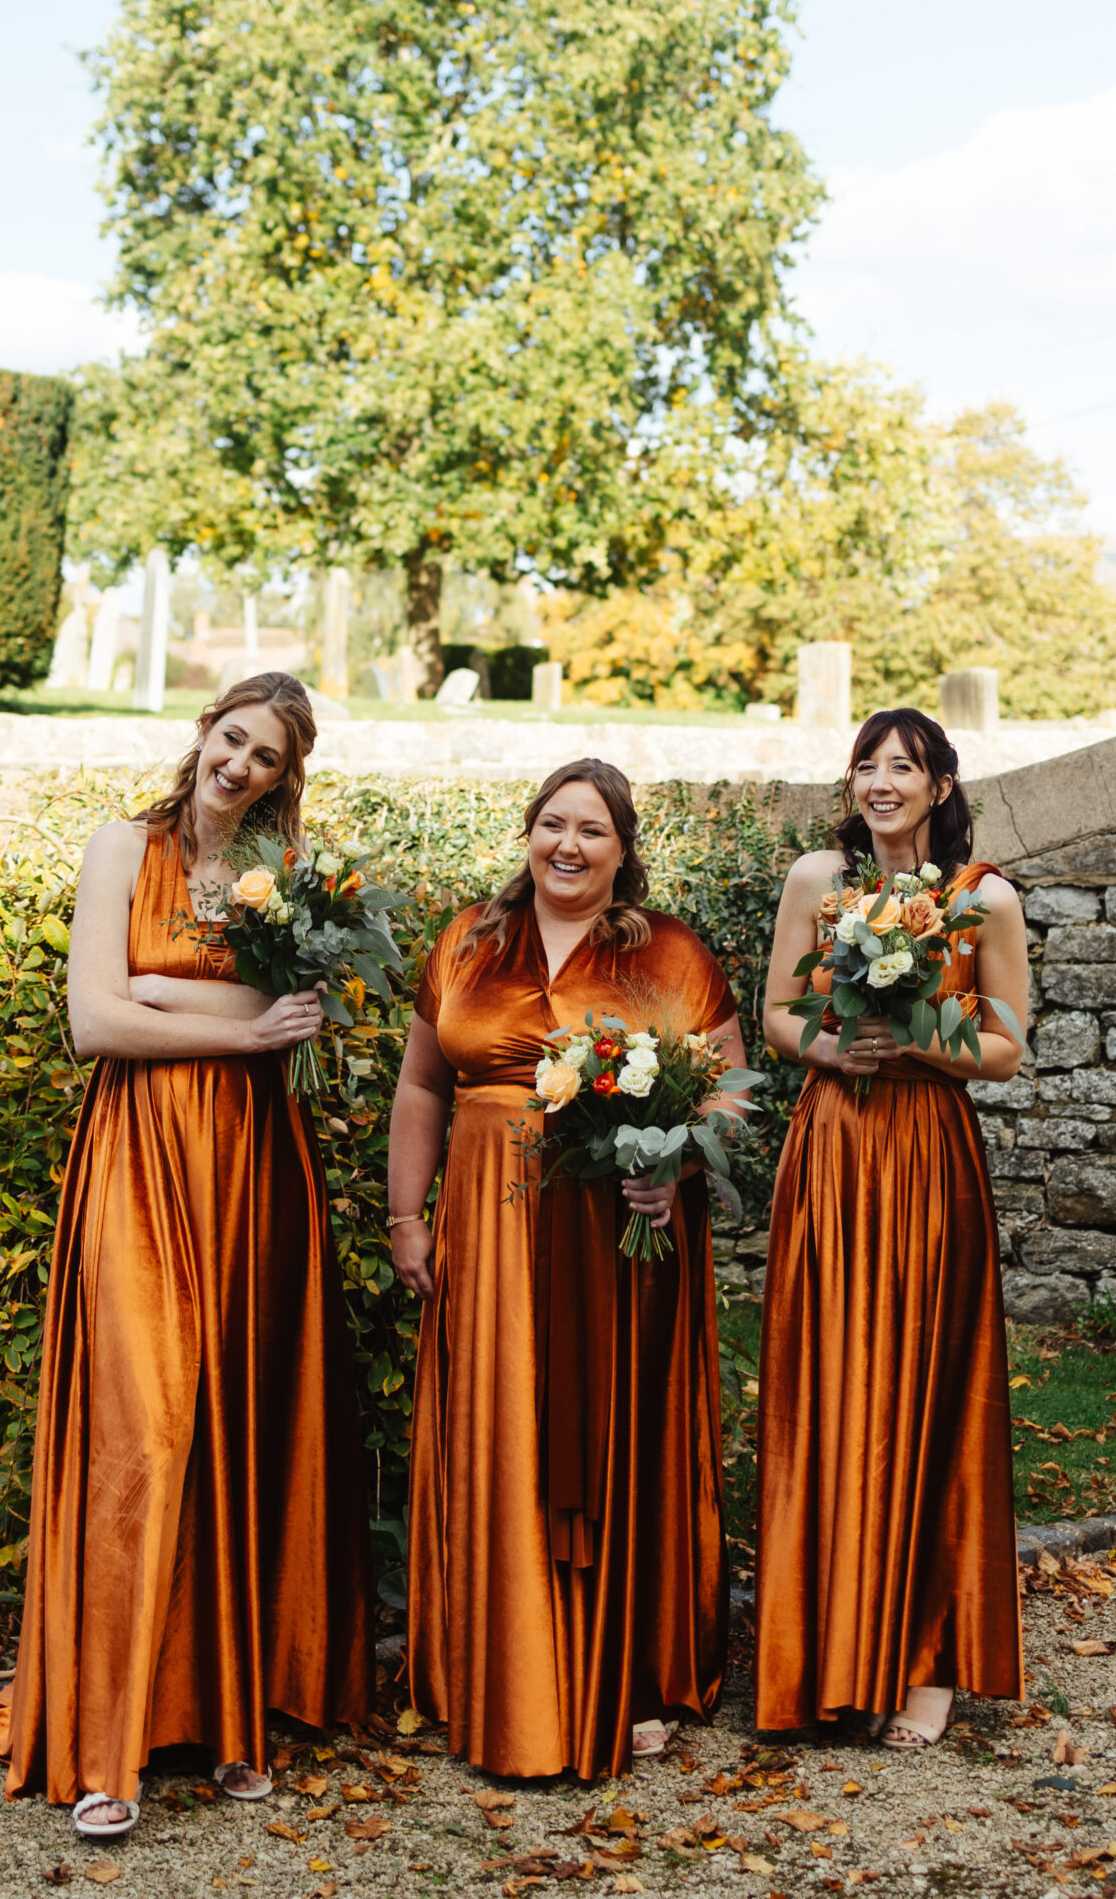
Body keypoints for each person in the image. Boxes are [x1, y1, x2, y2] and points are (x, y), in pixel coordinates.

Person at [0, 674, 372, 1833]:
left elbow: (292, 1009)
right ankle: (108, 1747)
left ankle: (232, 1714)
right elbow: (93, 1020)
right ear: (204, 734)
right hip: (141, 1166)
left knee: (236, 1423)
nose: (240, 765)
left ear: (285, 778)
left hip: (253, 1170)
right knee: (143, 1429)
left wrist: (163, 990)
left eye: (267, 757)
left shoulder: (284, 882)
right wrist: (230, 1023)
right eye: (232, 739)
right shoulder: (120, 848)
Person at [388, 759, 740, 1779]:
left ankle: (622, 1673)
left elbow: (728, 1089)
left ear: (624, 852)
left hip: (615, 1230)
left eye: (593, 829)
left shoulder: (669, 951)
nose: (569, 845)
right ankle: (489, 1667)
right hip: (485, 1231)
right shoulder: (466, 942)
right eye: (553, 824)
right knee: (495, 1430)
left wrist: (674, 1163)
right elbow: (420, 1087)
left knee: (612, 1434)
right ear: (527, 832)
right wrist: (405, 1214)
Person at [754, 707, 1028, 1749]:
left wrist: (919, 1036)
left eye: (904, 766)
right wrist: (826, 1052)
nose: (882, 780)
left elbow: (1005, 1046)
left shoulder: (983, 897)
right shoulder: (817, 882)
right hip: (833, 1147)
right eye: (867, 762)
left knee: (926, 1389)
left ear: (941, 787)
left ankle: (926, 1664)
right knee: (826, 1385)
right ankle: (814, 1650)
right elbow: (780, 1012)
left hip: (926, 1156)